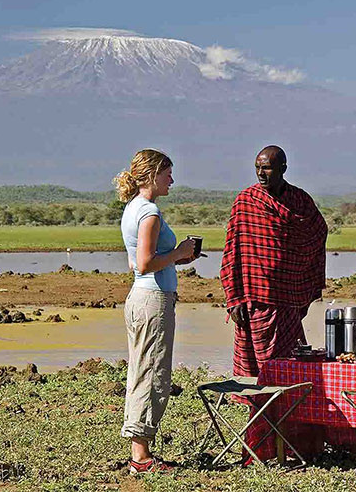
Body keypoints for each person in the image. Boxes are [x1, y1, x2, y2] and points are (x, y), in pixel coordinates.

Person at [113, 148, 197, 474]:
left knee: (141, 370)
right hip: (153, 300)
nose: (171, 180)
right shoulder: (149, 212)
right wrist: (179, 252)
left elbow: (135, 262)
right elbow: (146, 263)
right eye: (167, 174)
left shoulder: (132, 208)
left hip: (140, 297)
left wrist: (176, 257)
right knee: (153, 374)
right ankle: (141, 457)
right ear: (152, 175)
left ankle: (140, 450)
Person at [221, 145, 328, 377]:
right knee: (255, 366)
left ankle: (288, 400)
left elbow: (318, 231)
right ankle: (258, 400)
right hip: (254, 298)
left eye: (267, 168)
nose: (261, 173)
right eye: (257, 168)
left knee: (290, 362)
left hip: (288, 296)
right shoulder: (246, 201)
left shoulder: (300, 201)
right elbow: (232, 252)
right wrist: (234, 298)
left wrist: (298, 275)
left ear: (283, 169)